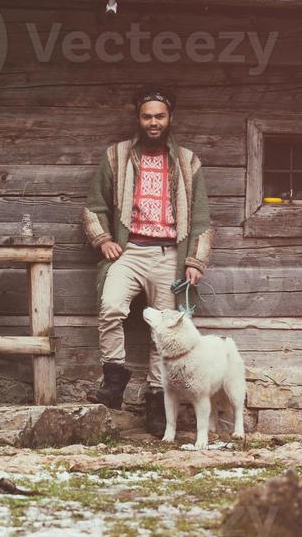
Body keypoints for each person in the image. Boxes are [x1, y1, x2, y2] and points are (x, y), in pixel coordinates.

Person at [81, 88, 214, 436]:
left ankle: (156, 401)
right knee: (110, 306)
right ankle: (114, 379)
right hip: (130, 251)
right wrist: (104, 239)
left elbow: (200, 219)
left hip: (170, 254)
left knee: (164, 332)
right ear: (137, 118)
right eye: (147, 116)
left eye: (160, 116)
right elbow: (94, 206)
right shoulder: (116, 157)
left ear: (170, 118)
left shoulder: (187, 162)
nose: (153, 122)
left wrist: (194, 262)